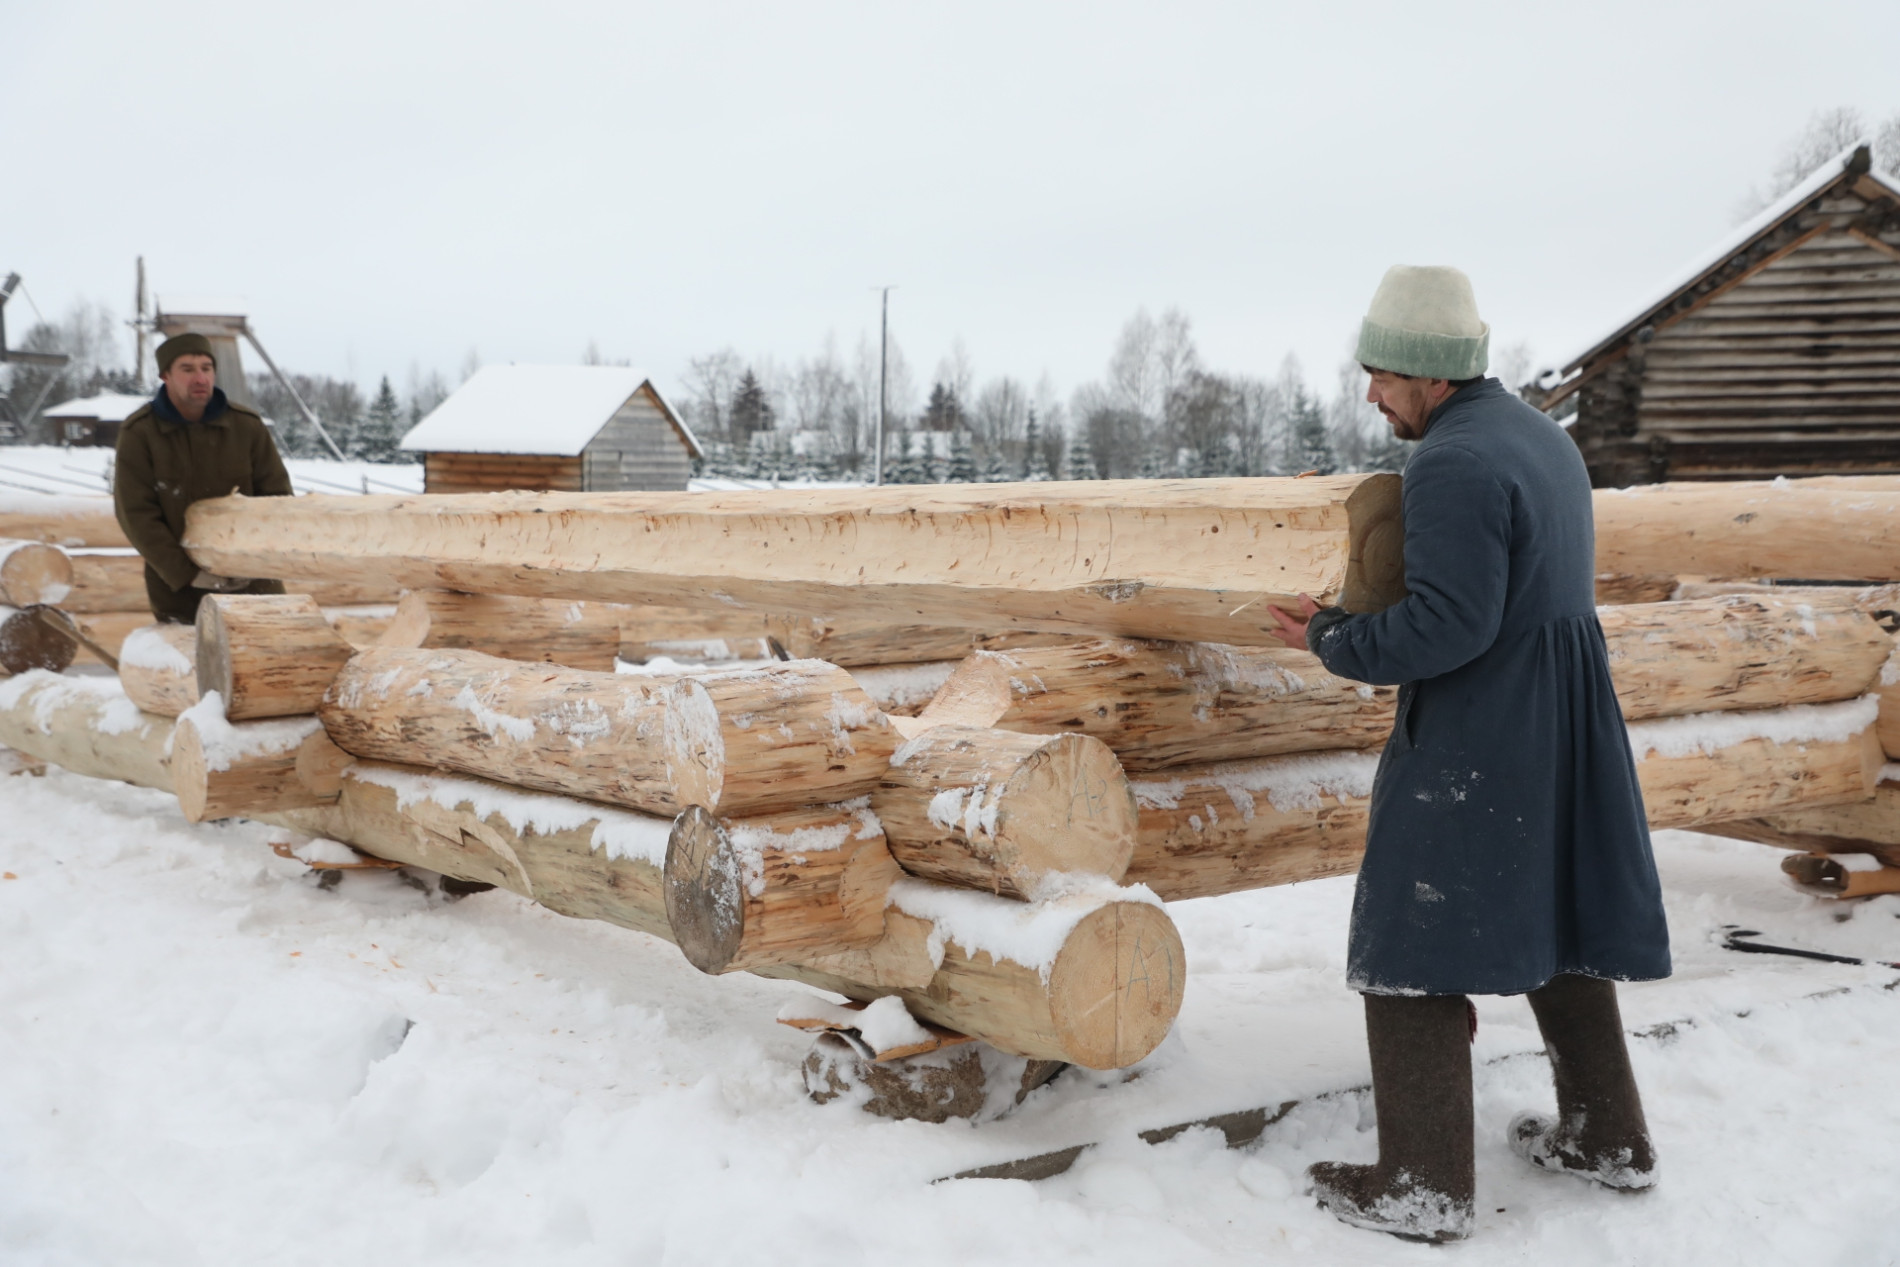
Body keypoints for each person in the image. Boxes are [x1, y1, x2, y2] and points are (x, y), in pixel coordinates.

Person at [1267, 265, 1671, 1243]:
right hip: (1562, 718)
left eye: (1380, 373)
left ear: (1430, 374)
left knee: (1411, 935)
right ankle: (1606, 1137)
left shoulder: (1449, 463)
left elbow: (1446, 628)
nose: (1369, 391)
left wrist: (1328, 637)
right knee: (1556, 918)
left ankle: (1420, 1182)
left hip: (1482, 730)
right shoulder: (1538, 437)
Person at [114, 333, 293, 624]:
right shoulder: (140, 433)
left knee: (276, 661)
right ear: (165, 376)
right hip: (181, 591)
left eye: (206, 368)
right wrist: (191, 575)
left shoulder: (246, 427)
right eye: (187, 369)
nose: (200, 378)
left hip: (256, 585)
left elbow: (277, 501)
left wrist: (255, 562)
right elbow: (136, 515)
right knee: (195, 666)